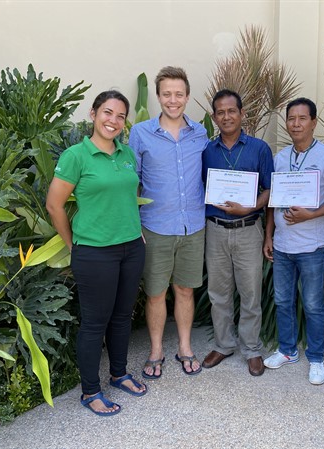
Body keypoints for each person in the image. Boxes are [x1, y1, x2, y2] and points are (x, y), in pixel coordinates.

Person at [47, 90, 147, 417]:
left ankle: (119, 374)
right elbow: (54, 205)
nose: (113, 121)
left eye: (120, 116)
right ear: (93, 114)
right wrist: (72, 243)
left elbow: (127, 195)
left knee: (122, 317)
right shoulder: (77, 155)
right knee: (94, 323)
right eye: (107, 112)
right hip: (95, 252)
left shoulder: (126, 154)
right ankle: (90, 390)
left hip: (131, 248)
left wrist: (137, 233)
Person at [129, 66, 208, 378]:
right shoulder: (141, 133)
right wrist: (134, 224)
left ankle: (185, 347)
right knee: (156, 293)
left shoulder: (201, 133)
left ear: (187, 97)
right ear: (158, 97)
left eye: (178, 94)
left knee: (186, 290)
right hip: (155, 227)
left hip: (193, 226)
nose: (172, 100)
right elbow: (129, 181)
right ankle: (156, 349)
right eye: (166, 94)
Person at [263, 97, 324, 385]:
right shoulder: (280, 157)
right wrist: (269, 234)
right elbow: (273, 200)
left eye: (302, 118)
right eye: (291, 119)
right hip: (283, 246)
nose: (295, 124)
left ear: (313, 122)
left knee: (312, 304)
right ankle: (287, 351)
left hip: (312, 246)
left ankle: (316, 358)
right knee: (283, 301)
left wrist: (312, 215)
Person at [201, 89, 274, 377]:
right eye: (221, 112)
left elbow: (270, 189)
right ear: (214, 117)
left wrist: (250, 207)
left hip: (248, 230)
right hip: (216, 230)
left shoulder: (259, 148)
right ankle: (223, 344)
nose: (227, 116)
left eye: (232, 111)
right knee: (218, 292)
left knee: (250, 291)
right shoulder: (206, 151)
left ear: (242, 114)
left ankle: (252, 349)